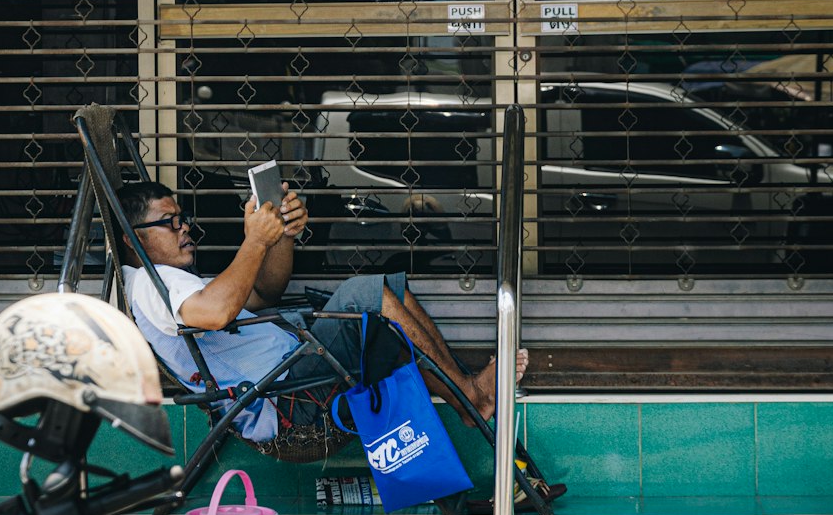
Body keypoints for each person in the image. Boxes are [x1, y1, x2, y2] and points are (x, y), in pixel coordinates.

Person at [116, 179, 529, 445]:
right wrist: (255, 240)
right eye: (169, 222)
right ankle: (471, 397)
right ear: (133, 240)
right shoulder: (153, 285)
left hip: (298, 369)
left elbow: (263, 294)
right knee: (361, 294)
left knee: (387, 290)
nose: (184, 227)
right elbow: (218, 313)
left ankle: (468, 396)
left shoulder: (175, 281)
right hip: (286, 397)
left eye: (181, 218)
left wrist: (282, 238)